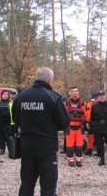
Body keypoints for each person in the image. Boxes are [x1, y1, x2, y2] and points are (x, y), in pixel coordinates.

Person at [12, 67, 69, 196]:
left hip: (26, 146)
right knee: (48, 185)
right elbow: (64, 122)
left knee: (26, 183)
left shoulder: (21, 95)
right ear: (49, 80)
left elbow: (15, 117)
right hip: (46, 147)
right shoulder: (53, 97)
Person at [64, 86, 87, 167]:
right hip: (69, 127)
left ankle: (78, 160)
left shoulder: (83, 103)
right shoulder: (66, 103)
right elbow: (63, 115)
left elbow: (86, 114)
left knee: (79, 145)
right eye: (73, 91)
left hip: (80, 127)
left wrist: (86, 124)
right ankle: (70, 160)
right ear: (70, 93)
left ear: (78, 92)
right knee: (69, 145)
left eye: (76, 91)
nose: (74, 92)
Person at [0, 90, 11, 155]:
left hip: (8, 122)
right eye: (4, 94)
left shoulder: (11, 102)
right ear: (1, 95)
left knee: (8, 136)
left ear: (9, 96)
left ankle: (10, 150)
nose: (5, 95)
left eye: (7, 94)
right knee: (1, 136)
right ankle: (2, 149)